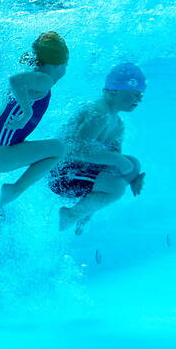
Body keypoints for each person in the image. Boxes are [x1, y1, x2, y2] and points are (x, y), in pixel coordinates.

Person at [0, 31, 69, 228]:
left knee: (45, 146)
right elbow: (14, 80)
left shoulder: (33, 74)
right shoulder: (44, 79)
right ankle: (12, 191)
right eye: (66, 65)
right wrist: (27, 110)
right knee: (58, 149)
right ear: (58, 64)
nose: (65, 70)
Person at [49, 62, 147, 234]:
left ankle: (83, 211)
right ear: (113, 92)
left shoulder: (117, 123)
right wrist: (118, 161)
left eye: (141, 95)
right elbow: (76, 148)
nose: (139, 99)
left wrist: (132, 176)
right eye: (134, 94)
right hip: (61, 175)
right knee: (117, 187)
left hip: (79, 172)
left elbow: (115, 163)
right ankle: (71, 214)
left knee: (133, 164)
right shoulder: (99, 113)